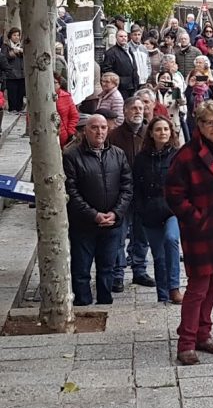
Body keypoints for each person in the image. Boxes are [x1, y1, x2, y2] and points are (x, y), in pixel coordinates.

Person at [166, 100, 213, 366]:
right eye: (209, 122)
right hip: (201, 232)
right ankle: (186, 342)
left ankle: (203, 334)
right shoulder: (187, 155)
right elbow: (174, 195)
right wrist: (195, 218)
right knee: (197, 288)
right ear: (199, 124)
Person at [63, 114, 133, 306]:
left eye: (103, 127)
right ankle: (83, 302)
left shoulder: (118, 154)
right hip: (83, 224)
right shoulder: (71, 156)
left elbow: (127, 187)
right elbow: (71, 191)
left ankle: (105, 301)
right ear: (85, 130)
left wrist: (116, 213)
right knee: (81, 268)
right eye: (94, 127)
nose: (99, 131)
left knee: (107, 267)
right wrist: (93, 215)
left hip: (112, 223)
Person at [132, 116, 182, 304]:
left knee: (171, 240)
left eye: (166, 129)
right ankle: (163, 294)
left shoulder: (177, 155)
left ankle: (174, 287)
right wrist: (140, 208)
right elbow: (136, 185)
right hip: (150, 211)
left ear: (171, 132)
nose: (162, 133)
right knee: (159, 256)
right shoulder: (142, 158)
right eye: (158, 129)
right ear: (151, 134)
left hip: (173, 210)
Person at [108, 97, 154, 292]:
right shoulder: (114, 136)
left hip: (144, 194)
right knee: (118, 235)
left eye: (140, 108)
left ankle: (139, 269)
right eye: (133, 108)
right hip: (121, 194)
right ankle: (117, 273)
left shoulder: (149, 134)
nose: (137, 111)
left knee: (141, 235)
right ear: (125, 111)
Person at [101, 28, 140, 99]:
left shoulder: (129, 50)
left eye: (125, 36)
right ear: (116, 38)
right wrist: (119, 80)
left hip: (133, 86)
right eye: (121, 36)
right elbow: (106, 69)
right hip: (121, 88)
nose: (123, 38)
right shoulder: (111, 52)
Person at [55, 73, 79, 148]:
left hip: (64, 138)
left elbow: (74, 116)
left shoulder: (66, 97)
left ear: (59, 84)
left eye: (54, 82)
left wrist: (70, 132)